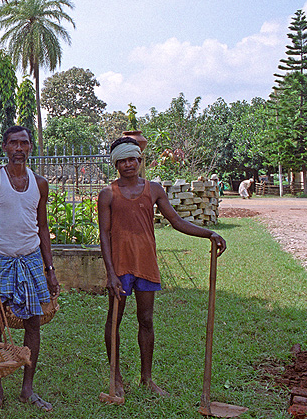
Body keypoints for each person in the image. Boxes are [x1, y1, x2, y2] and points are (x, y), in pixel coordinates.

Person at [97, 136, 227, 399]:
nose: (128, 164)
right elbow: (104, 235)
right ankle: (116, 377)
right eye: (122, 160)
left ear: (139, 161)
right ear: (116, 164)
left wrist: (208, 233)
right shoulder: (108, 194)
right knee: (115, 321)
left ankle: (147, 378)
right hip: (120, 267)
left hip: (146, 264)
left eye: (132, 159)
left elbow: (176, 221)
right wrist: (110, 274)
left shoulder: (154, 190)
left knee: (146, 320)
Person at [0, 126, 59, 413]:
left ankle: (27, 389)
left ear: (30, 147)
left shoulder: (40, 183)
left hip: (31, 258)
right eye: (14, 143)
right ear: (5, 147)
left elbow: (43, 227)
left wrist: (50, 268)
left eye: (24, 143)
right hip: (0, 259)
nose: (19, 148)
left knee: (33, 323)